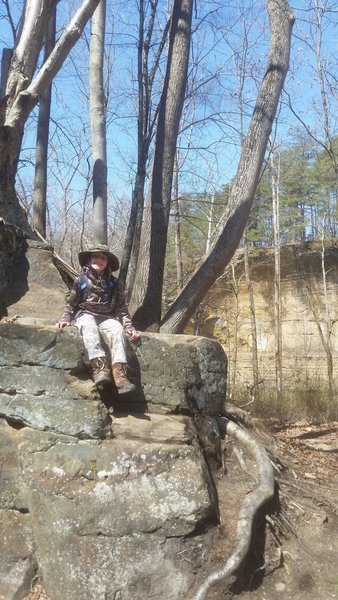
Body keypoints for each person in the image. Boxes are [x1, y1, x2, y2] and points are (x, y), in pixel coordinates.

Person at [56, 244, 140, 394]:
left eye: (103, 258)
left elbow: (121, 307)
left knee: (116, 330)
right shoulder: (80, 280)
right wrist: (65, 318)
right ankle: (100, 369)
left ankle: (120, 376)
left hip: (108, 317)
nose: (99, 260)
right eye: (95, 256)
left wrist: (128, 327)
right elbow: (72, 303)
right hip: (85, 314)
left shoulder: (115, 283)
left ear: (107, 262)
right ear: (89, 259)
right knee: (88, 327)